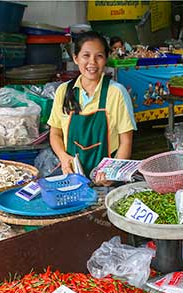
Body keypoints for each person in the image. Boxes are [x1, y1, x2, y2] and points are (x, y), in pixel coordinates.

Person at [48, 31, 136, 186]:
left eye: (99, 56)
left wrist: (111, 173)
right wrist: (63, 157)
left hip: (107, 179)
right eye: (86, 55)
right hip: (72, 175)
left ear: (106, 58)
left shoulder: (116, 93)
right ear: (76, 58)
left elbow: (126, 141)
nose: (92, 62)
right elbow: (55, 133)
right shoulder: (63, 91)